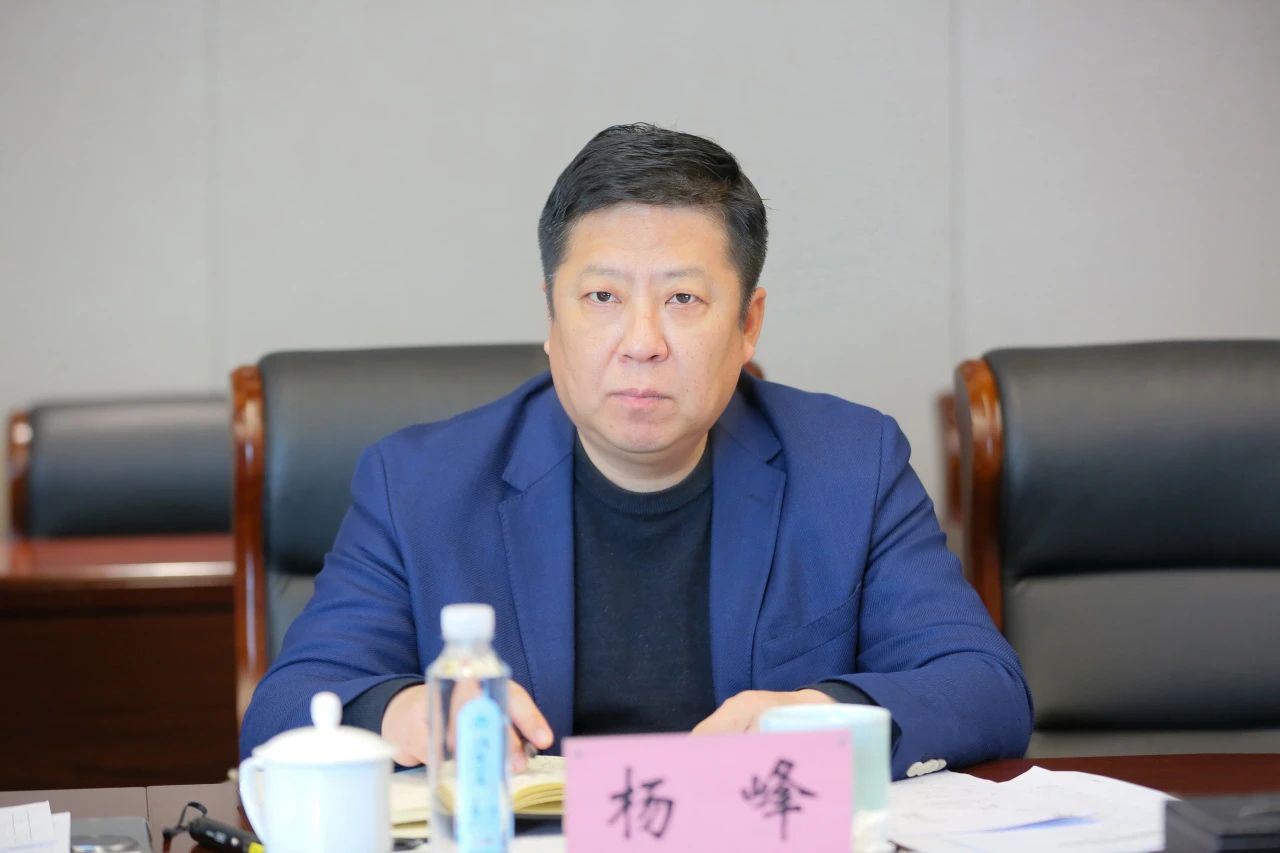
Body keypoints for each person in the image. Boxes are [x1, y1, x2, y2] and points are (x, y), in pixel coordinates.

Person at [239, 124, 1032, 779]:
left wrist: (822, 715)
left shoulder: (850, 465)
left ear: (749, 323)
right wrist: (408, 710)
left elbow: (986, 687)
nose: (642, 342)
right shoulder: (419, 484)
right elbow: (284, 705)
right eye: (602, 297)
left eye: (683, 298)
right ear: (552, 317)